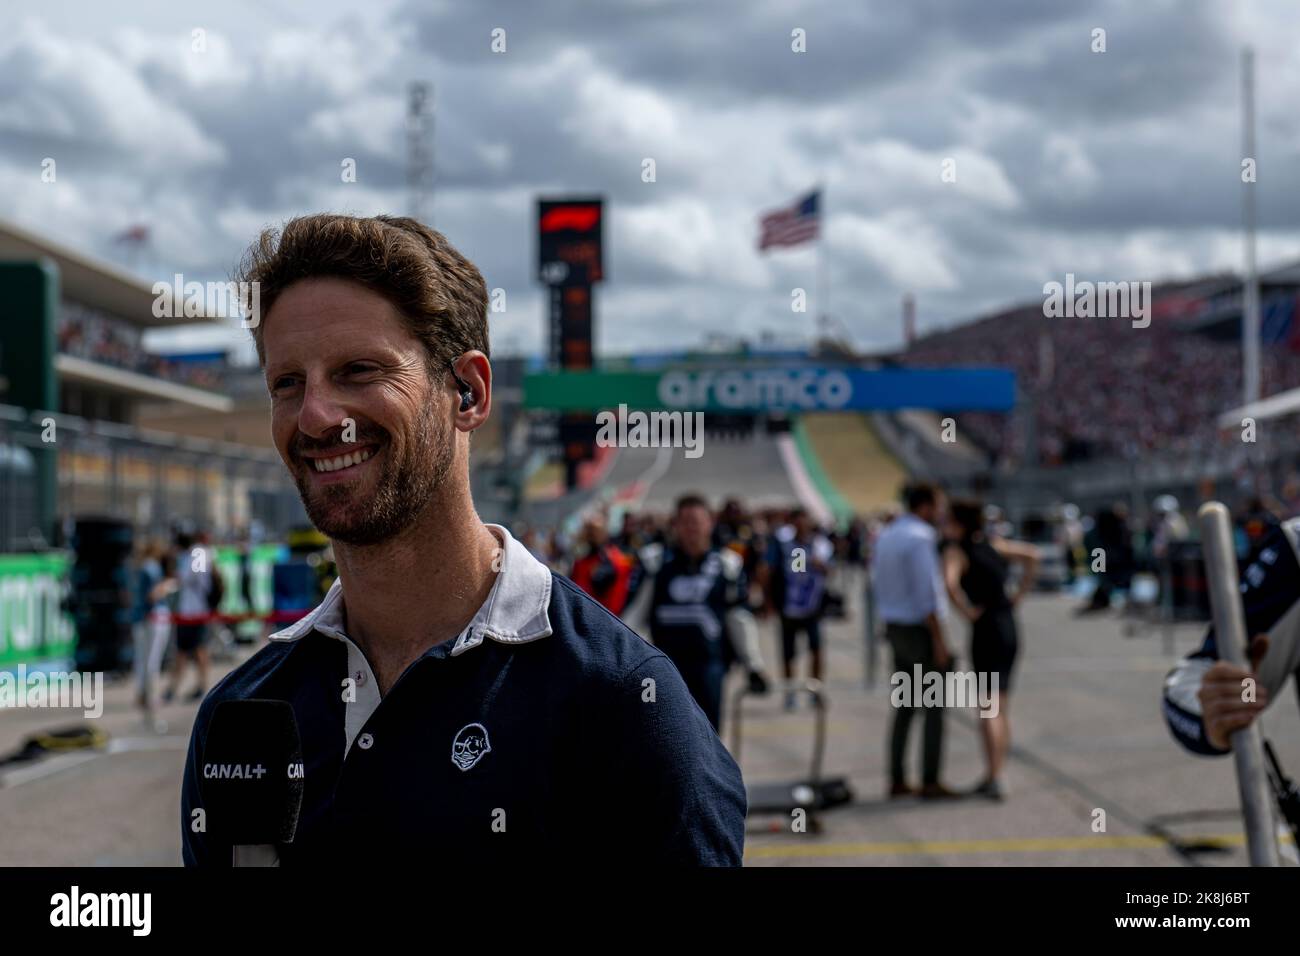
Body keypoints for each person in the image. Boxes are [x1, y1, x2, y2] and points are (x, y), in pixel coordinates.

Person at [181, 214, 745, 865]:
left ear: (469, 392)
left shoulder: (622, 706)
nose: (315, 415)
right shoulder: (245, 716)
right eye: (287, 383)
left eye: (358, 371)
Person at [622, 494, 769, 732]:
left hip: (710, 665)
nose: (692, 528)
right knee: (666, 736)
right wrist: (628, 661)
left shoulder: (727, 564)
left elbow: (738, 618)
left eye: (697, 521)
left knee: (710, 737)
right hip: (665, 667)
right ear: (676, 525)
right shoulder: (655, 561)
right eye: (686, 521)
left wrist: (753, 664)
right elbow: (634, 616)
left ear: (709, 523)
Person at [940, 499, 1039, 800]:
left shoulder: (956, 551)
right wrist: (1019, 593)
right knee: (1001, 705)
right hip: (1007, 623)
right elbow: (1032, 556)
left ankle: (994, 775)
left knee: (988, 708)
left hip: (985, 628)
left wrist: (966, 612)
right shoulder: (994, 544)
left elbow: (949, 584)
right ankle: (998, 769)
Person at [871, 482, 958, 800]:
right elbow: (928, 596)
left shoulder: (888, 534)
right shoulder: (921, 537)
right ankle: (930, 779)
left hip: (895, 627)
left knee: (904, 707)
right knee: (934, 707)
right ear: (924, 507)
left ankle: (896, 777)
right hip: (920, 630)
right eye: (937, 505)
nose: (940, 513)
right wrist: (940, 641)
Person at [768, 508, 834, 710]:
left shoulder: (820, 544)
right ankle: (790, 693)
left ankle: (815, 690)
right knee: (788, 653)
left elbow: (829, 570)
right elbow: (782, 571)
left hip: (811, 607)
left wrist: (819, 564)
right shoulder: (784, 545)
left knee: (816, 649)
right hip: (789, 608)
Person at [163, 531, 213, 703]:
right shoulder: (193, 553)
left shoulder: (198, 552)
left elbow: (191, 577)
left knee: (196, 649)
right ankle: (176, 686)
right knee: (186, 650)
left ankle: (198, 685)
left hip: (195, 611)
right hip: (189, 610)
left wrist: (176, 569)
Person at [569, 513, 634, 615]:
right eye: (588, 530)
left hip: (603, 617)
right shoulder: (582, 558)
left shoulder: (612, 558)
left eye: (593, 530)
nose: (589, 534)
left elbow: (598, 582)